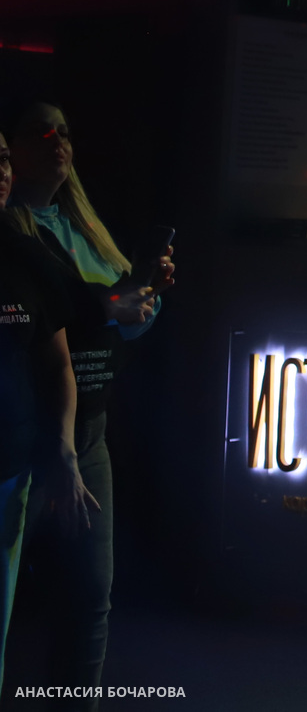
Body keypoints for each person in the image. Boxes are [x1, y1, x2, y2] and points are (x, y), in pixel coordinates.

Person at [3, 99, 168, 708]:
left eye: (65, 131)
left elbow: (119, 324)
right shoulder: (13, 238)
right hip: (25, 432)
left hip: (88, 427)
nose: (57, 142)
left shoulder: (84, 228)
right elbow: (56, 330)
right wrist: (111, 308)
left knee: (90, 596)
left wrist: (140, 301)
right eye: (39, 132)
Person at [0, 126, 96, 690]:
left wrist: (64, 451)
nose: (1, 172)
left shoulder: (24, 255)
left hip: (7, 473)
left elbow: (58, 365)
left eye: (3, 159)